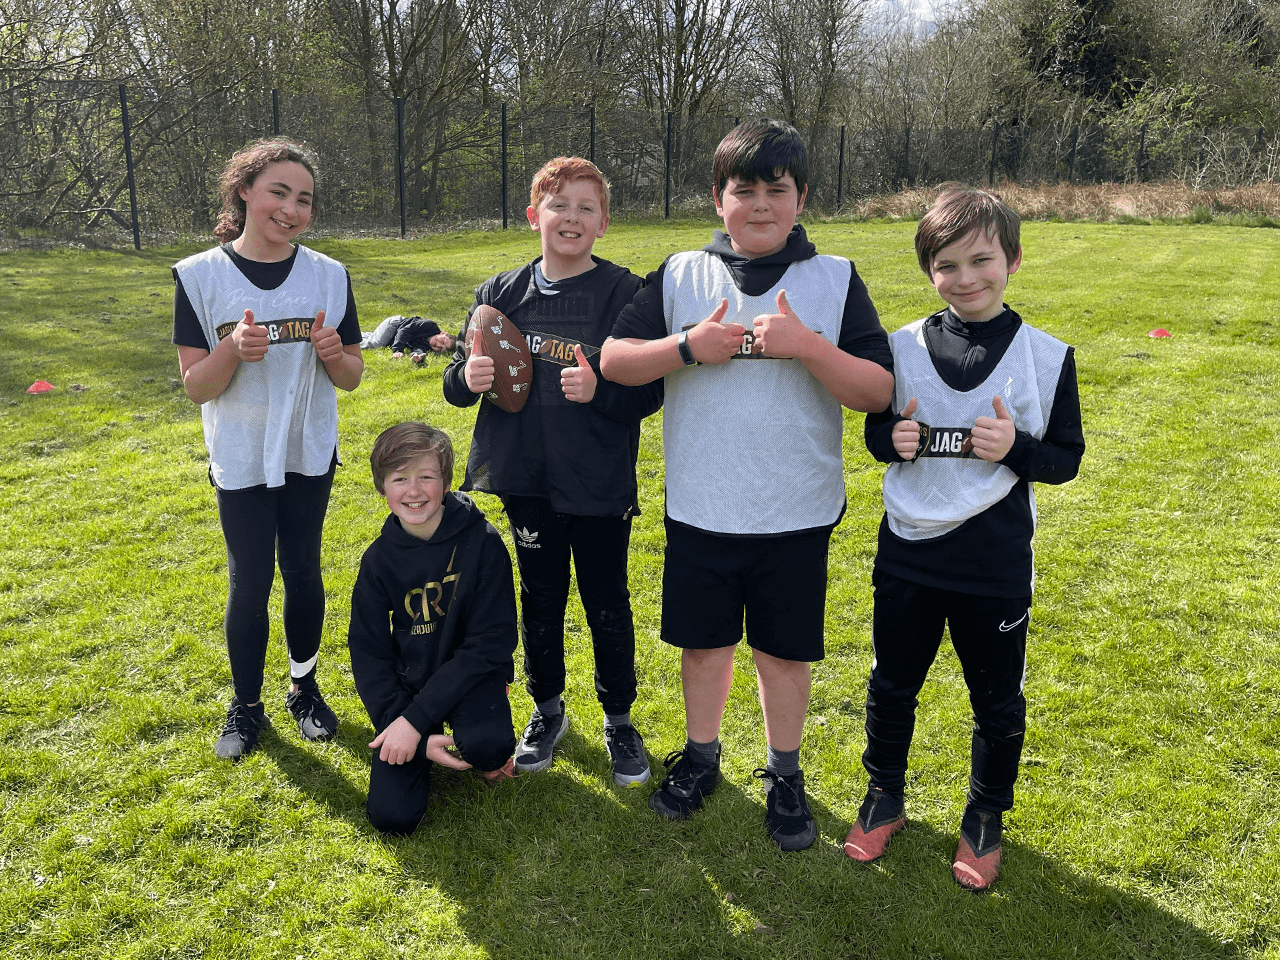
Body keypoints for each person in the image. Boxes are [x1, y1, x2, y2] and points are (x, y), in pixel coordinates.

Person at [600, 120, 894, 851]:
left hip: (795, 510)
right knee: (703, 648)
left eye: (777, 189)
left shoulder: (835, 278)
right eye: (744, 189)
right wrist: (686, 347)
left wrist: (808, 347)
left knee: (782, 653)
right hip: (702, 505)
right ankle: (701, 759)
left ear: (802, 199)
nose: (760, 203)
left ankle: (784, 774)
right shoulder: (679, 274)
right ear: (717, 198)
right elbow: (614, 360)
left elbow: (876, 390)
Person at [845, 185, 1084, 890]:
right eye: (946, 265)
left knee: (996, 700)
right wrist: (890, 439)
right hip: (908, 554)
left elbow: (1065, 460)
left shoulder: (1046, 357)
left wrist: (1017, 449)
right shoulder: (900, 348)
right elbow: (876, 432)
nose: (966, 277)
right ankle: (884, 795)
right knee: (893, 684)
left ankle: (985, 814)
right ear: (929, 270)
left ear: (1013, 259)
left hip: (992, 564)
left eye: (982, 260)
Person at [442, 157, 663, 788]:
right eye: (558, 205)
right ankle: (548, 710)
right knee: (540, 598)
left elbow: (650, 392)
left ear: (604, 222)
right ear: (533, 216)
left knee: (606, 600)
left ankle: (619, 720)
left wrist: (600, 392)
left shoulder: (625, 294)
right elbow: (456, 382)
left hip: (597, 479)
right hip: (526, 477)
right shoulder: (500, 293)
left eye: (586, 207)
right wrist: (466, 378)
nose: (571, 217)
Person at [172, 138, 364, 761]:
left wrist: (334, 356)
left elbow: (352, 375)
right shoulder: (200, 276)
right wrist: (231, 351)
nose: (291, 208)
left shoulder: (329, 275)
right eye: (278, 192)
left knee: (303, 570)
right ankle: (247, 704)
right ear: (244, 192)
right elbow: (197, 386)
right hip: (242, 457)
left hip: (307, 452)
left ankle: (304, 686)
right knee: (250, 580)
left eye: (304, 199)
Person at [347, 423, 518, 835]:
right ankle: (425, 745)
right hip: (408, 688)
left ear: (446, 481)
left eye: (426, 476)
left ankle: (481, 728)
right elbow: (369, 656)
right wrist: (410, 730)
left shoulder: (483, 541)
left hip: (472, 678)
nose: (414, 490)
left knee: (488, 746)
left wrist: (417, 720)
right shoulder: (377, 561)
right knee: (392, 818)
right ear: (382, 487)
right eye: (399, 479)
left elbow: (492, 641)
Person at [361, 314, 455, 361]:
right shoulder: (429, 325)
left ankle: (358, 334)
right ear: (443, 333)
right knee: (376, 344)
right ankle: (353, 340)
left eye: (440, 349)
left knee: (376, 339)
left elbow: (418, 348)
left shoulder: (427, 346)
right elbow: (404, 331)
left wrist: (417, 356)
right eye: (442, 342)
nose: (438, 345)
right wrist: (398, 350)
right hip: (395, 325)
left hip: (393, 337)